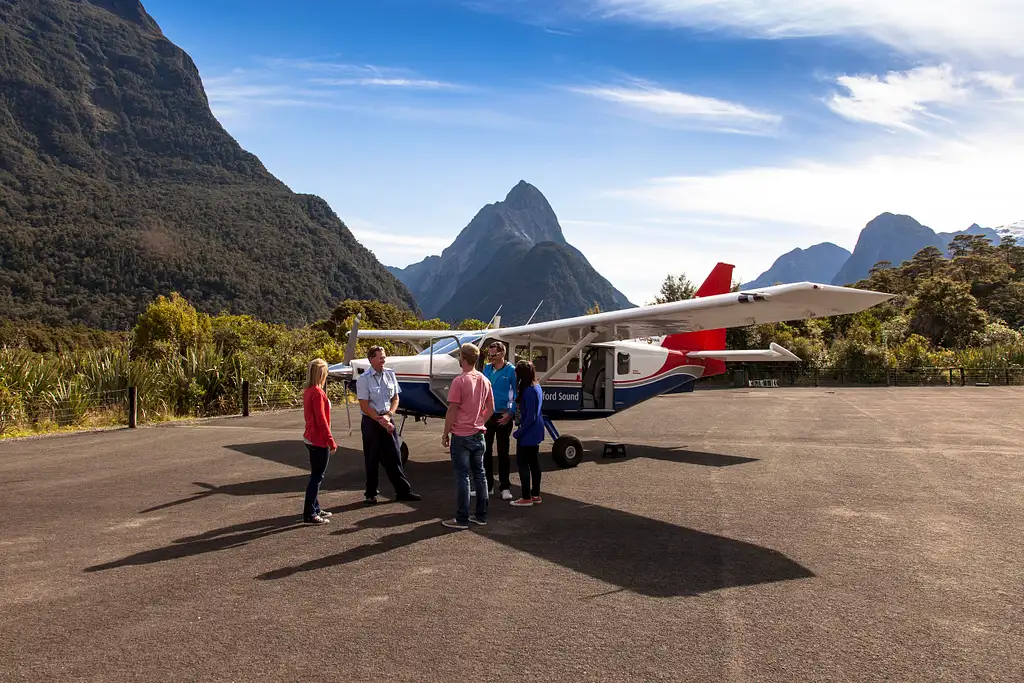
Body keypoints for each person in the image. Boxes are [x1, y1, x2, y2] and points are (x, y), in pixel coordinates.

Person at [356, 346, 420, 505]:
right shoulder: (364, 379)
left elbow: (395, 398)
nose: (384, 360)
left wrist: (389, 415)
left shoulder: (390, 374)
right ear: (371, 359)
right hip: (371, 421)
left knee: (395, 456)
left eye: (384, 357)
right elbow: (364, 405)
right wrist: (379, 420)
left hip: (387, 418)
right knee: (372, 458)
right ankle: (370, 494)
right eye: (380, 358)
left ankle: (403, 491)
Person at [441, 342, 494, 529]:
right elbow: (491, 408)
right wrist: (480, 421)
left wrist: (445, 433)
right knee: (480, 474)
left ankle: (461, 518)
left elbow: (452, 410)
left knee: (463, 476)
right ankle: (481, 515)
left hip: (461, 435)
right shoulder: (485, 380)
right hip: (479, 434)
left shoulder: (459, 381)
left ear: (462, 358)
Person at [302, 358, 336, 524]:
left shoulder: (309, 390)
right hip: (318, 440)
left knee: (316, 475)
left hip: (310, 437)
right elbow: (321, 419)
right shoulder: (317, 393)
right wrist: (331, 440)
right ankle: (309, 512)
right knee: (317, 477)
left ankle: (315, 507)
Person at [482, 341, 516, 500]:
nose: (490, 357)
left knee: (503, 452)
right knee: (485, 452)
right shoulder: (486, 369)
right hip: (487, 416)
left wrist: (510, 413)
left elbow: (516, 395)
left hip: (504, 416)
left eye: (493, 355)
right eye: (489, 354)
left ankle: (505, 487)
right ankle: (488, 486)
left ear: (502, 354)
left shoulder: (511, 371)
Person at [511, 360, 544, 507]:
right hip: (536, 430)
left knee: (523, 463)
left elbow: (531, 416)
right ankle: (536, 494)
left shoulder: (529, 390)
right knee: (534, 463)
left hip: (528, 431)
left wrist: (519, 432)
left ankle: (526, 496)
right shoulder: (536, 386)